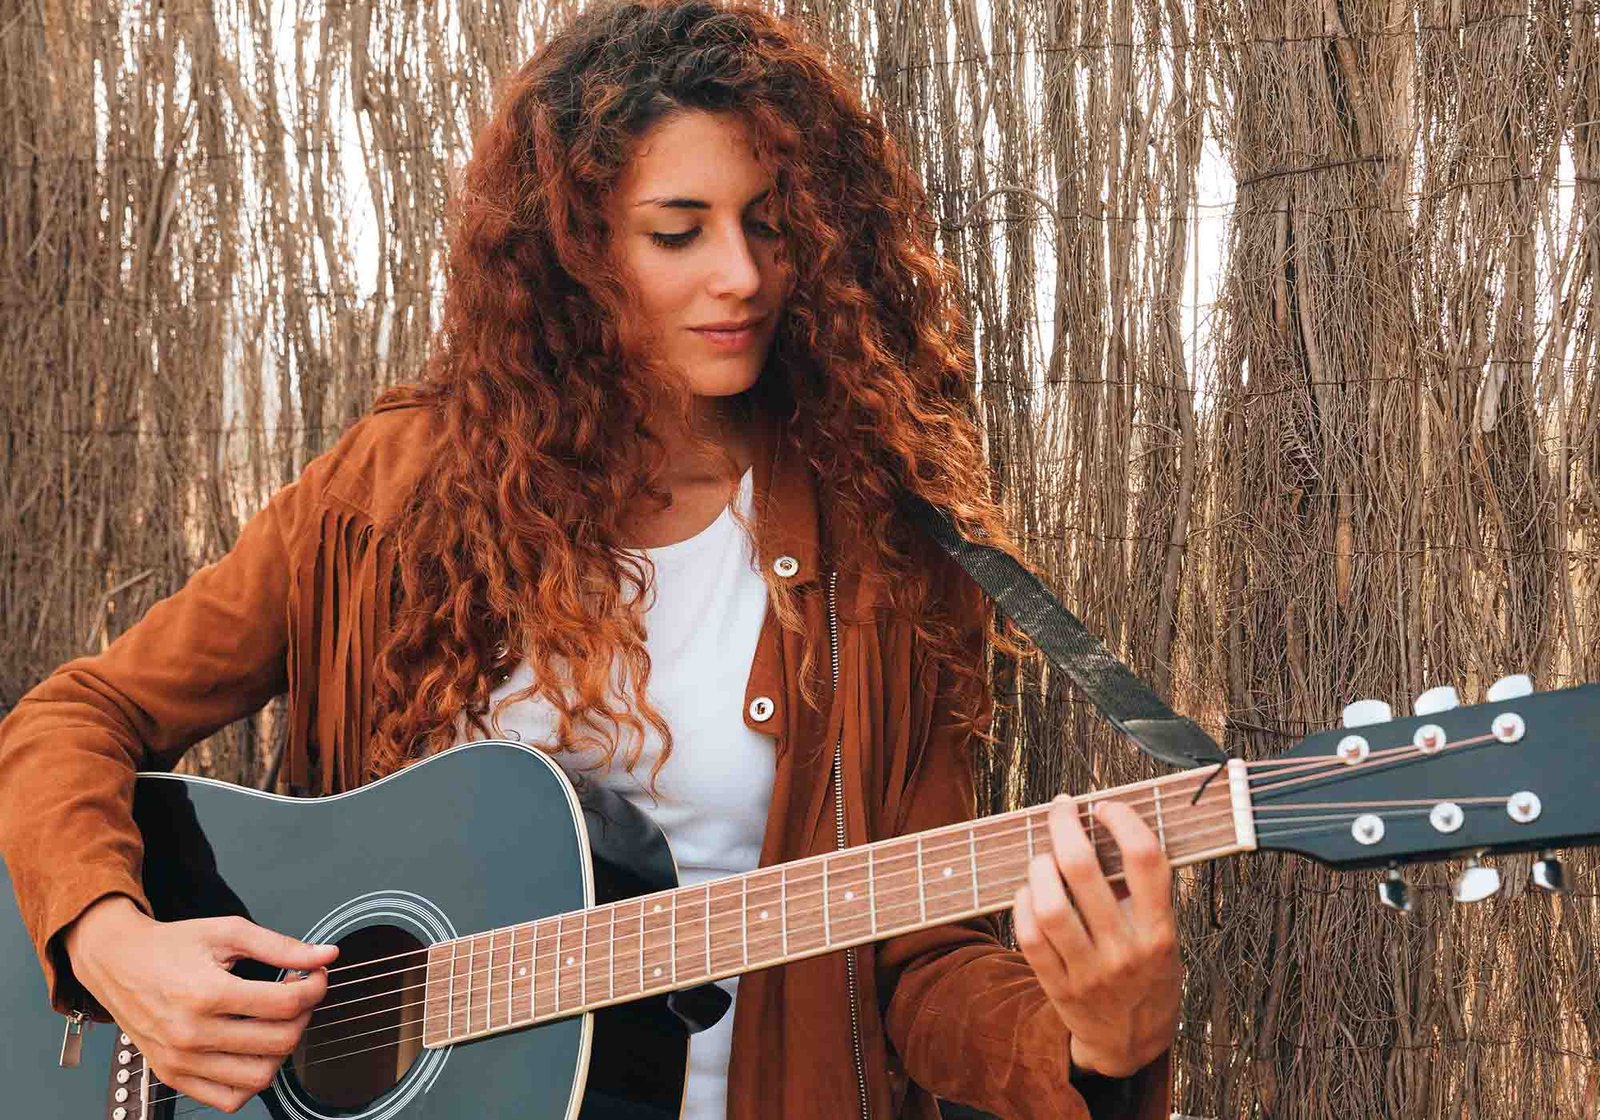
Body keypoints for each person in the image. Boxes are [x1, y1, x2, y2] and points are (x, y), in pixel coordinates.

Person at [0, 1, 1181, 1117]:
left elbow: (918, 966)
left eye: (769, 223)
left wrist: (1093, 1042)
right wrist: (110, 944)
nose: (742, 274)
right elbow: (73, 719)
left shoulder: (877, 547)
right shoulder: (389, 496)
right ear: (572, 251)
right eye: (679, 231)